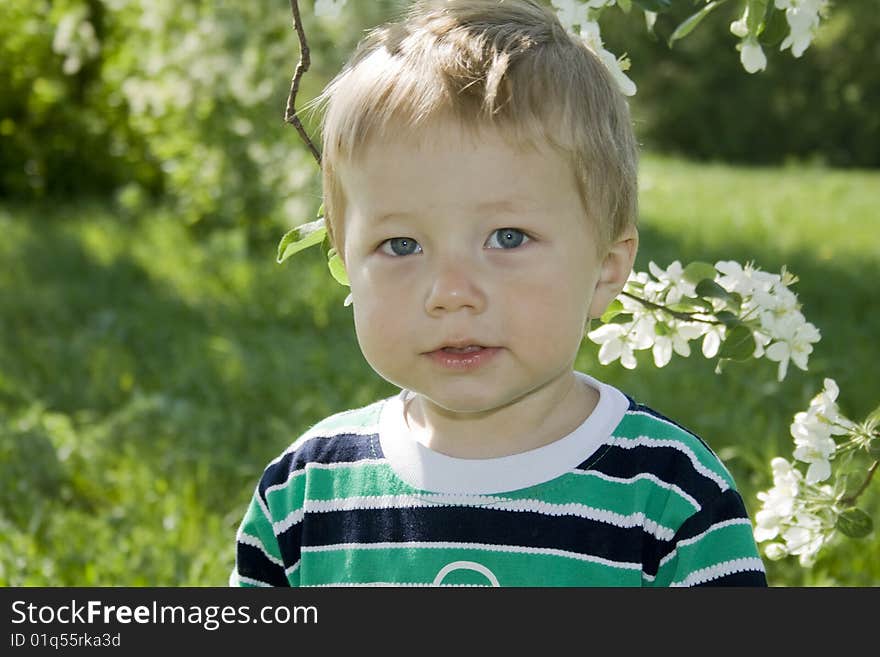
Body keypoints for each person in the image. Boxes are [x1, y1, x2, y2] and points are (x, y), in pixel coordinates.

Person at [231, 0, 767, 587]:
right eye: (402, 245)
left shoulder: (670, 495)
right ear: (346, 264)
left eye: (507, 239)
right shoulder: (305, 496)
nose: (452, 293)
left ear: (606, 269)